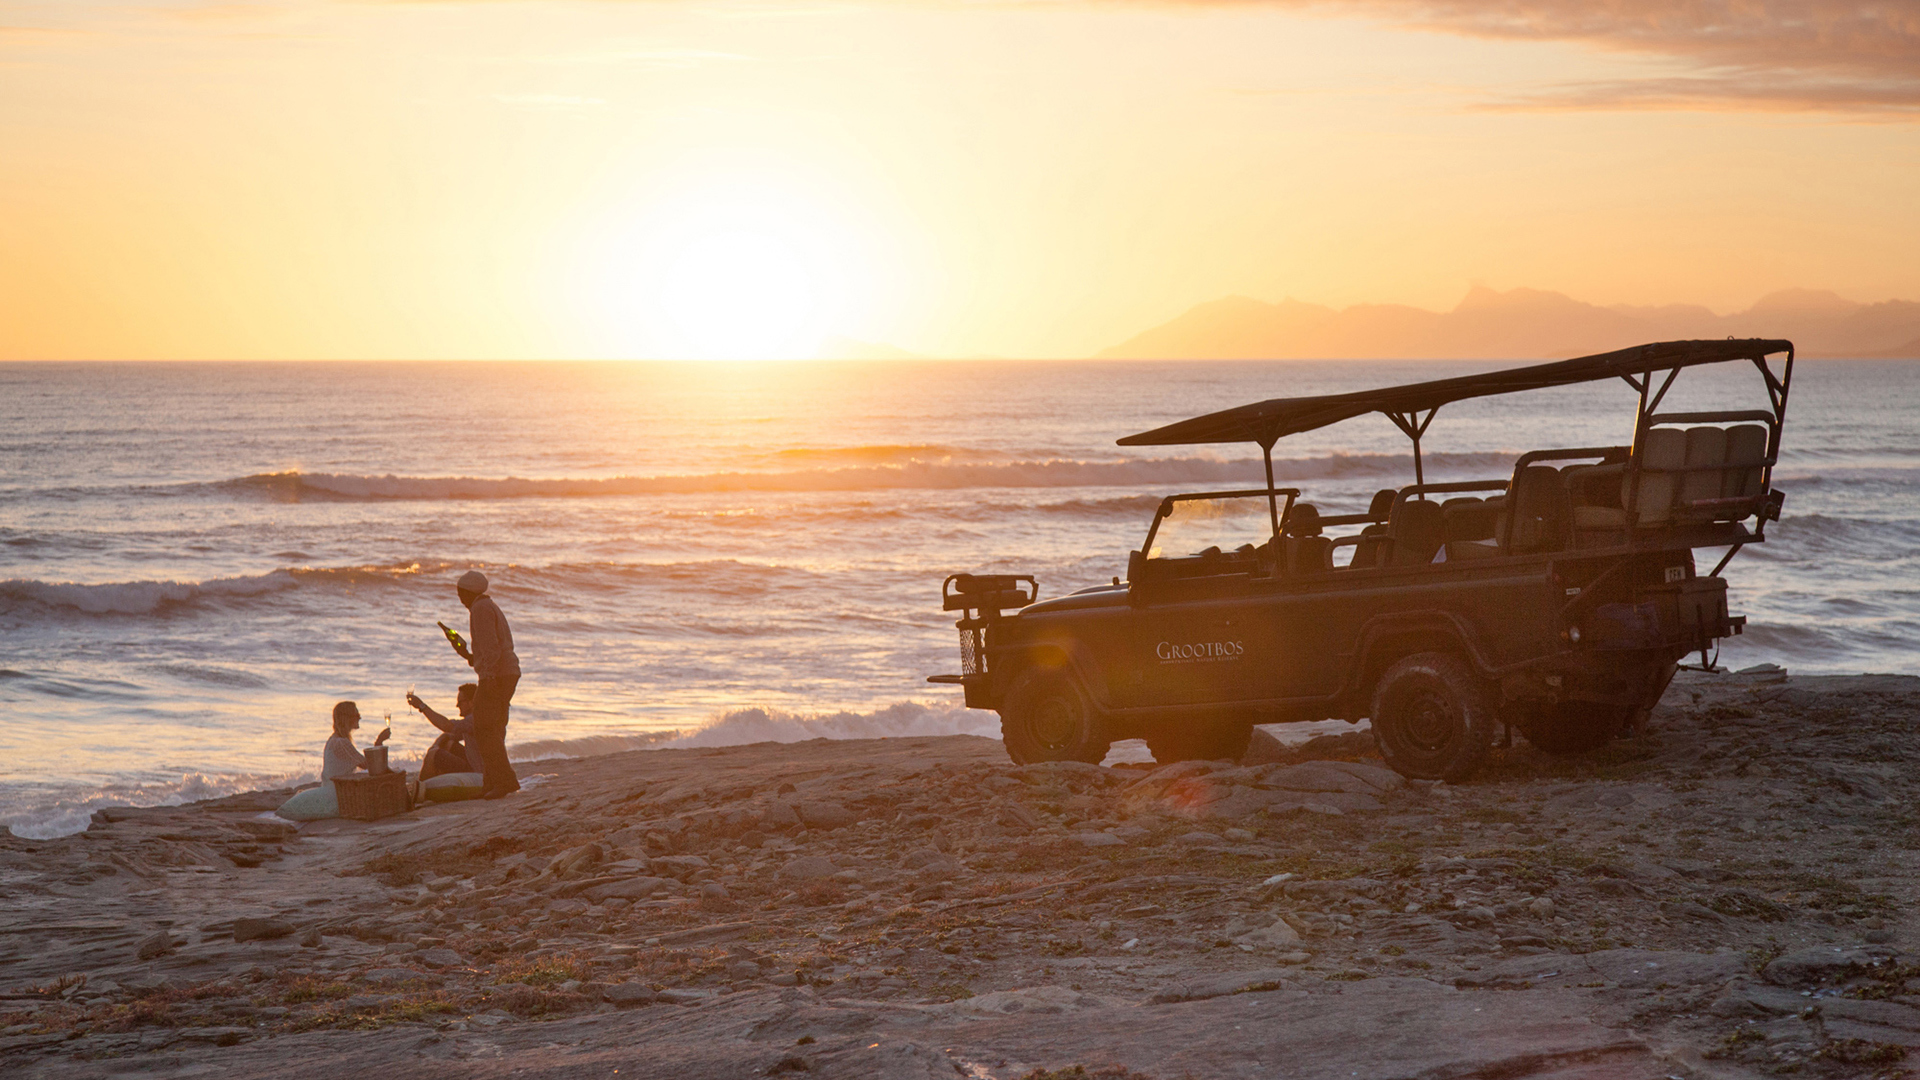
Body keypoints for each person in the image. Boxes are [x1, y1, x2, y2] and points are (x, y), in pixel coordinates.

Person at [451, 570, 521, 799]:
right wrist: (467, 655)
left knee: (485, 730)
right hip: (505, 673)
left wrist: (488, 678)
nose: (459, 598)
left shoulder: (480, 609)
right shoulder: (487, 607)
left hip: (497, 676)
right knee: (494, 728)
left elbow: (491, 649)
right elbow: (489, 650)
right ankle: (492, 782)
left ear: (468, 592)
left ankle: (505, 781)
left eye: (461, 593)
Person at [407, 684, 484, 782]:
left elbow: (447, 726)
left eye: (460, 702)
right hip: (474, 762)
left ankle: (421, 786)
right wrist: (437, 744)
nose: (457, 705)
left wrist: (422, 706)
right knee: (448, 744)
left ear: (471, 703)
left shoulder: (474, 719)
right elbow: (449, 735)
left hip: (478, 771)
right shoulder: (474, 719)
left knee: (433, 755)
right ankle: (436, 780)